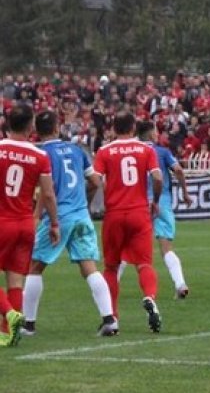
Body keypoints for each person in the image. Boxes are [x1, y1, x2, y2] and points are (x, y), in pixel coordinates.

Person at [21, 111, 117, 337]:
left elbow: (47, 191)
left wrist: (37, 216)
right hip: (82, 215)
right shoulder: (77, 150)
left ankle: (29, 325)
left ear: (38, 130)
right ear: (57, 128)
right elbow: (95, 181)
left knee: (34, 267)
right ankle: (109, 320)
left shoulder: (40, 153)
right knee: (89, 267)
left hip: (59, 216)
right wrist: (85, 201)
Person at [91, 111, 164, 332]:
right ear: (133, 128)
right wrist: (156, 201)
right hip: (139, 212)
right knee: (144, 264)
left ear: (114, 128)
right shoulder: (146, 149)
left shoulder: (105, 151)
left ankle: (112, 319)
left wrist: (105, 188)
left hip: (114, 213)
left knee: (111, 267)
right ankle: (150, 297)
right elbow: (158, 177)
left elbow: (94, 179)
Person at [0, 103, 60, 347]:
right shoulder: (40, 155)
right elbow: (47, 194)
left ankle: (10, 314)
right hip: (26, 224)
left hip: (2, 220)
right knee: (15, 280)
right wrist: (54, 223)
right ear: (30, 126)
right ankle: (8, 333)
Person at [117, 121, 191, 299]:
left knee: (126, 246)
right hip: (161, 202)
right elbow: (179, 170)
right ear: (151, 135)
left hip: (138, 203)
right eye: (156, 132)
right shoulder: (162, 152)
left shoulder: (132, 151)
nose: (158, 135)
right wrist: (185, 193)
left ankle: (112, 283)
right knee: (166, 246)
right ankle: (180, 283)